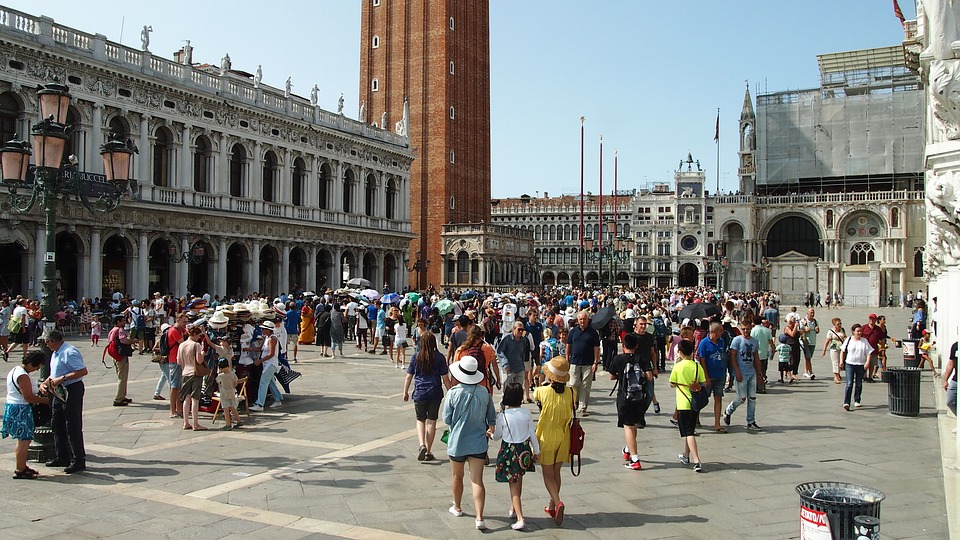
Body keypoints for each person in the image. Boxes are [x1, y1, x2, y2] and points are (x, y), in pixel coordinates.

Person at [442, 355, 496, 530]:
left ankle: (457, 507)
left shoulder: (453, 393)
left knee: (457, 476)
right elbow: (492, 418)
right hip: (478, 442)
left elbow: (446, 419)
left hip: (458, 441)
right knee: (477, 480)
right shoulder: (484, 392)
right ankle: (480, 517)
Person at [491, 382, 540, 531]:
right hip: (523, 450)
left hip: (509, 451)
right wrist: (536, 451)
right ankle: (513, 509)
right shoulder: (526, 413)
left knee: (513, 485)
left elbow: (497, 436)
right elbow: (532, 434)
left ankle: (520, 518)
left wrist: (491, 434)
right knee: (519, 481)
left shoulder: (503, 416)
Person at [534, 356, 575, 526]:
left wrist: (541, 382)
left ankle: (558, 502)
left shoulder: (541, 392)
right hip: (564, 436)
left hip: (546, 437)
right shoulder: (572, 392)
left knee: (547, 475)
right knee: (557, 473)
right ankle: (552, 505)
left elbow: (536, 397)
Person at [40, 330, 88, 474]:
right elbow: (55, 374)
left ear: (51, 342)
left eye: (46, 342)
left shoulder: (69, 352)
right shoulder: (56, 353)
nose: (46, 345)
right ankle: (62, 456)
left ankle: (78, 459)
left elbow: (82, 371)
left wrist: (63, 378)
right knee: (57, 423)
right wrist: (45, 383)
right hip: (58, 391)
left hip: (71, 389)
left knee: (72, 425)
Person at [608, 332, 654, 470]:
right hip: (639, 396)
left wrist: (622, 376)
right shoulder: (642, 358)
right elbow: (650, 377)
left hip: (624, 396)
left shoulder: (619, 359)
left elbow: (611, 376)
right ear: (637, 346)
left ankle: (635, 459)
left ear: (623, 346)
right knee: (633, 424)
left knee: (627, 426)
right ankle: (628, 449)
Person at [403, 332, 449, 462]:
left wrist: (405, 391)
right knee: (432, 421)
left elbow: (409, 376)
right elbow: (445, 378)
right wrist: (451, 391)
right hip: (435, 391)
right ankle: (428, 451)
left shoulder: (416, 356)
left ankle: (421, 445)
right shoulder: (439, 357)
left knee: (420, 419)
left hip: (420, 391)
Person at [2, 352, 49, 478]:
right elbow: (28, 397)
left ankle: (21, 465)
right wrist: (46, 401)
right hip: (21, 409)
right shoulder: (22, 375)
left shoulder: (15, 370)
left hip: (14, 406)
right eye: (37, 366)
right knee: (24, 440)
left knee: (22, 439)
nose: (37, 369)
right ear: (32, 363)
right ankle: (20, 470)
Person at [670, 339, 705, 473]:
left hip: (683, 403)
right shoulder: (697, 366)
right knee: (689, 429)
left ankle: (697, 460)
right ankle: (686, 455)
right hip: (695, 402)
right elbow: (702, 382)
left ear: (680, 352)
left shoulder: (678, 367)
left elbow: (672, 383)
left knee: (689, 432)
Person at [722, 318, 763, 431]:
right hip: (741, 372)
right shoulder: (737, 340)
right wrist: (736, 372)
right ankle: (728, 410)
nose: (746, 331)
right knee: (741, 398)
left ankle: (751, 421)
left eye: (748, 329)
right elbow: (733, 357)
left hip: (751, 372)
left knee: (752, 398)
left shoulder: (754, 341)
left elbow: (756, 358)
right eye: (744, 329)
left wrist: (759, 373)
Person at [566, 310, 600, 416]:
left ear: (587, 320)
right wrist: (567, 358)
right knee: (574, 383)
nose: (582, 321)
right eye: (580, 319)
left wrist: (595, 362)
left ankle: (582, 407)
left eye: (584, 319)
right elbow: (568, 345)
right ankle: (574, 403)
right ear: (577, 320)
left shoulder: (593, 333)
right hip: (574, 362)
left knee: (585, 385)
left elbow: (596, 348)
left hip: (588, 363)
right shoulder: (573, 331)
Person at [697, 322, 729, 433]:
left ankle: (717, 423)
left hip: (719, 374)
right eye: (720, 331)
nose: (722, 333)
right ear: (714, 332)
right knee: (702, 398)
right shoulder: (704, 343)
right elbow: (702, 360)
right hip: (708, 375)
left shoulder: (721, 341)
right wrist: (705, 376)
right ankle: (696, 417)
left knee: (718, 398)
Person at [250, 321, 284, 411]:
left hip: (270, 364)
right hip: (267, 364)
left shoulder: (272, 339)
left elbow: (271, 354)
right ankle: (278, 398)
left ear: (269, 330)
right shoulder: (266, 338)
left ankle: (260, 404)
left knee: (263, 383)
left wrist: (259, 361)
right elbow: (260, 349)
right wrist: (248, 349)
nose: (262, 330)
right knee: (270, 382)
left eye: (263, 329)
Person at [839, 324, 874, 411]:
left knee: (858, 383)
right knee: (849, 383)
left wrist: (867, 362)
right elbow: (842, 351)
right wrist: (841, 362)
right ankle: (846, 402)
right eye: (857, 331)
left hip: (860, 365)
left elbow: (869, 352)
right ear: (853, 332)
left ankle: (857, 399)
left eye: (860, 331)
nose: (859, 333)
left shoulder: (864, 341)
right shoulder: (849, 340)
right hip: (849, 364)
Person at [178, 326, 207, 431]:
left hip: (185, 373)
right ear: (195, 335)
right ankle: (195, 424)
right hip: (195, 373)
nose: (199, 337)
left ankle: (186, 422)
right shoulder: (196, 345)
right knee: (195, 399)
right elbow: (199, 361)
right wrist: (202, 354)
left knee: (186, 398)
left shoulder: (182, 345)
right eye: (199, 335)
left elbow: (179, 361)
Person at [106, 316, 133, 407]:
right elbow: (123, 340)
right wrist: (132, 341)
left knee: (121, 376)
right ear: (118, 322)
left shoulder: (112, 330)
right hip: (121, 356)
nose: (125, 322)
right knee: (122, 377)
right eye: (123, 321)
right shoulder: (120, 330)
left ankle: (122, 396)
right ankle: (118, 399)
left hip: (115, 355)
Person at [497, 321, 532, 390]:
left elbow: (523, 353)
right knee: (507, 389)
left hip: (519, 368)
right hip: (508, 368)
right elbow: (500, 351)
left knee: (518, 389)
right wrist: (505, 364)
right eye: (519, 329)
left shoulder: (524, 340)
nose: (521, 331)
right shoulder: (507, 338)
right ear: (513, 329)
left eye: (522, 330)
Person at [215, 357, 242, 430]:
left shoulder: (221, 376)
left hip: (224, 393)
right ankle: (238, 421)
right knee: (233, 407)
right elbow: (236, 382)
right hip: (232, 392)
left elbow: (217, 381)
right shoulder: (232, 373)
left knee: (226, 409)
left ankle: (228, 424)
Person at [821, 318, 846, 384]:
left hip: (842, 348)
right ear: (834, 325)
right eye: (838, 324)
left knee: (841, 362)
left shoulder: (842, 330)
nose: (840, 325)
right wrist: (824, 350)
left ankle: (838, 374)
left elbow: (845, 337)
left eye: (840, 323)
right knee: (835, 362)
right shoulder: (830, 332)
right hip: (834, 348)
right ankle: (835, 377)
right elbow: (827, 341)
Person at [799, 308, 820, 380]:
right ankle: (811, 372)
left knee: (808, 357)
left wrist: (817, 330)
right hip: (806, 342)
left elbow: (817, 331)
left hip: (813, 341)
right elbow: (799, 331)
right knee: (808, 357)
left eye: (813, 312)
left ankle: (805, 371)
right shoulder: (803, 321)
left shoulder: (815, 321)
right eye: (811, 313)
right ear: (807, 313)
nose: (812, 314)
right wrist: (805, 330)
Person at [944, 340, 957, 417]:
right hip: (956, 380)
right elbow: (951, 364)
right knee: (950, 401)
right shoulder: (956, 346)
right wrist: (945, 380)